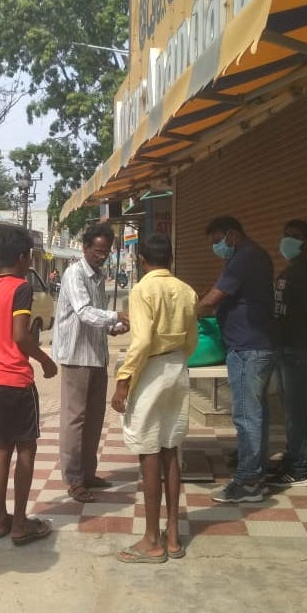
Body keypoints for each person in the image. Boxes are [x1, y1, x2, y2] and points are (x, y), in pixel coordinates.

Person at [0, 227, 58, 545]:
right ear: (22, 258)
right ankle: (20, 523)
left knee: (2, 449)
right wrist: (45, 361)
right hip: (17, 382)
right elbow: (21, 335)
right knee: (26, 448)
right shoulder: (20, 289)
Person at [110, 234, 197, 562]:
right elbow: (192, 340)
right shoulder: (186, 290)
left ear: (141, 259)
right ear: (170, 258)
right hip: (178, 367)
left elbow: (142, 340)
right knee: (170, 449)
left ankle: (151, 540)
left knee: (148, 452)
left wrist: (123, 380)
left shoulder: (143, 289)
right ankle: (172, 536)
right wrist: (176, 361)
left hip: (151, 370)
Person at [196, 216, 276, 503]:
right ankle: (255, 470)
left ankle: (248, 482)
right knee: (256, 414)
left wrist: (186, 314)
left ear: (232, 235)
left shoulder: (245, 257)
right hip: (256, 345)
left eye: (217, 242)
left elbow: (212, 299)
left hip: (248, 348)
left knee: (246, 415)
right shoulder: (253, 256)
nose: (216, 247)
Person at [51, 223, 129, 503]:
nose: (102, 256)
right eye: (97, 251)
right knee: (75, 420)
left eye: (106, 252)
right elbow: (84, 312)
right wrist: (115, 315)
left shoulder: (98, 277)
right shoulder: (75, 274)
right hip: (76, 356)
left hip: (97, 356)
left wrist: (114, 327)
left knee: (94, 419)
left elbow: (97, 318)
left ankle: (87, 472)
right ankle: (73, 480)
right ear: (85, 248)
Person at [267, 219, 307, 489]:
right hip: (284, 347)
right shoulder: (289, 271)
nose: (288, 240)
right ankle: (292, 457)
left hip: (297, 349)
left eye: (295, 236)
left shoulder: (306, 273)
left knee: (297, 411)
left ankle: (298, 469)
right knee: (289, 408)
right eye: (286, 234)